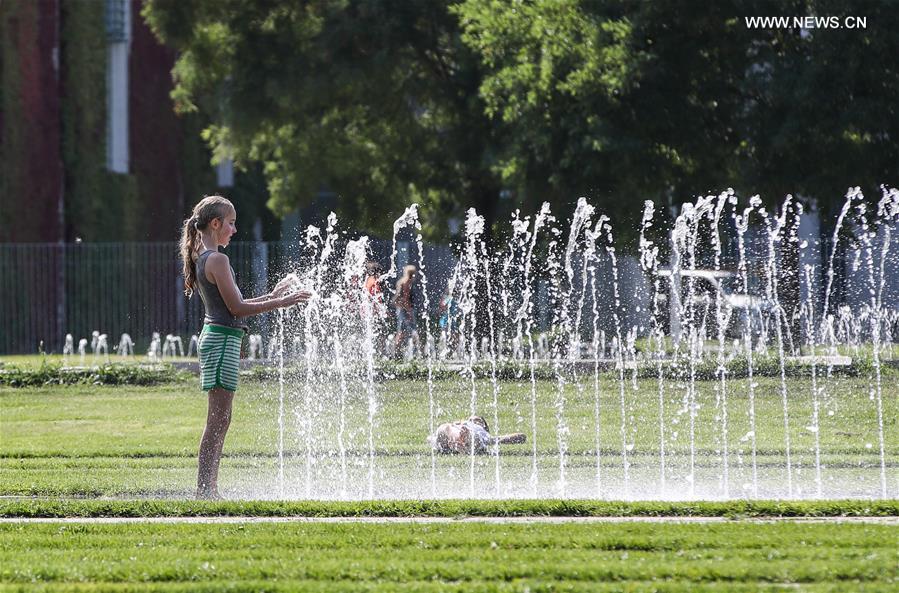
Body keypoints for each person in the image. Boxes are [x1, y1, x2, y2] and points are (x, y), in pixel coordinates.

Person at [180, 195, 310, 499]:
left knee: (221, 419)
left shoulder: (206, 258)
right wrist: (282, 302)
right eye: (231, 223)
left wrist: (271, 295)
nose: (234, 229)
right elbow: (237, 309)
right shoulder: (217, 260)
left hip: (220, 338)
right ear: (215, 224)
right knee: (217, 420)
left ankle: (208, 488)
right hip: (221, 340)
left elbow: (233, 306)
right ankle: (204, 491)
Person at [428, 416, 527, 455]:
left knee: (448, 428)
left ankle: (458, 441)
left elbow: (522, 437)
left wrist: (499, 440)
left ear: (483, 426)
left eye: (477, 420)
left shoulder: (483, 433)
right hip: (448, 435)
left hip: (473, 438)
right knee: (445, 428)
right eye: (470, 419)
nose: (472, 421)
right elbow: (428, 438)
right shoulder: (462, 424)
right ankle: (458, 441)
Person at [393, 264, 418, 355]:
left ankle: (397, 353)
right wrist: (409, 312)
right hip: (405, 309)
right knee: (411, 331)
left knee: (402, 332)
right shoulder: (407, 283)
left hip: (401, 309)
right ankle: (413, 354)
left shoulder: (401, 282)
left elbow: (398, 299)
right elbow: (405, 299)